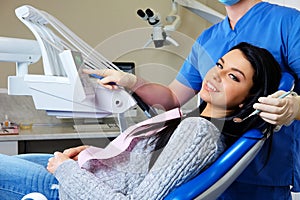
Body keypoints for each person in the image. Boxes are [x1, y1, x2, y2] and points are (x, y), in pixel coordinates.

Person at [0, 43, 282, 200]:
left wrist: (65, 172)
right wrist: (93, 154)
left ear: (247, 100)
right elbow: (140, 166)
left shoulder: (199, 132)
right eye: (219, 65)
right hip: (83, 173)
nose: (217, 76)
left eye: (234, 77)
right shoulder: (194, 121)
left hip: (66, 189)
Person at [86, 1, 300, 199]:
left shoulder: (288, 23)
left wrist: (295, 107)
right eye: (219, 66)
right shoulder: (209, 38)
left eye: (233, 76)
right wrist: (132, 82)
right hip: (201, 168)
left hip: (260, 174)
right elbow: (172, 97)